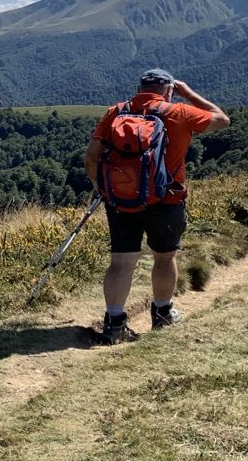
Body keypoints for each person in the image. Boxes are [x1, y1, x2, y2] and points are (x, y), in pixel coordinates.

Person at [84, 69, 230, 344]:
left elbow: (92, 156)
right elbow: (222, 120)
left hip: (121, 201)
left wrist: (102, 188)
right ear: (169, 90)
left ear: (139, 88)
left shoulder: (115, 112)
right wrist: (187, 94)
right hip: (166, 200)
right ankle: (162, 313)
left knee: (121, 262)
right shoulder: (180, 112)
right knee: (164, 257)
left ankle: (114, 323)